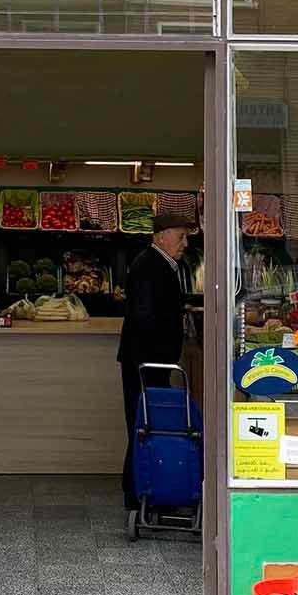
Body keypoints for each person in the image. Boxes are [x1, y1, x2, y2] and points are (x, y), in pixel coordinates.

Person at [117, 213, 192, 510]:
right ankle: (137, 493)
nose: (185, 243)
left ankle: (141, 489)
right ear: (161, 236)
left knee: (144, 423)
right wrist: (160, 357)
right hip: (146, 362)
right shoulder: (149, 266)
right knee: (142, 424)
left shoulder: (161, 264)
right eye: (180, 236)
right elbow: (145, 316)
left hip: (150, 361)